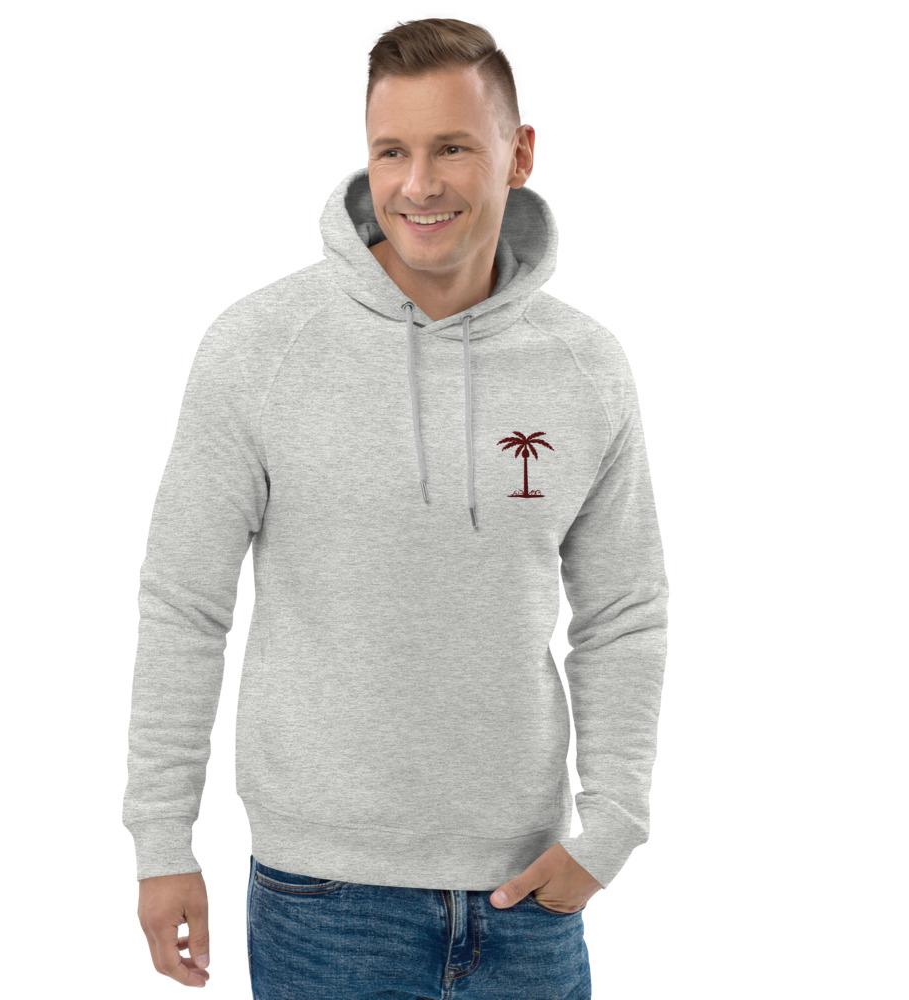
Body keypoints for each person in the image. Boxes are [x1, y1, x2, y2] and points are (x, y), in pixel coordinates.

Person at [122, 17, 669, 999]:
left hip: (528, 897)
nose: (418, 184)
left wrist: (613, 827)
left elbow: (624, 612)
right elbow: (183, 603)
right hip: (322, 900)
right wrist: (162, 841)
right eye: (391, 151)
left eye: (452, 147)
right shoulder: (261, 347)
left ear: (519, 153)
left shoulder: (585, 366)